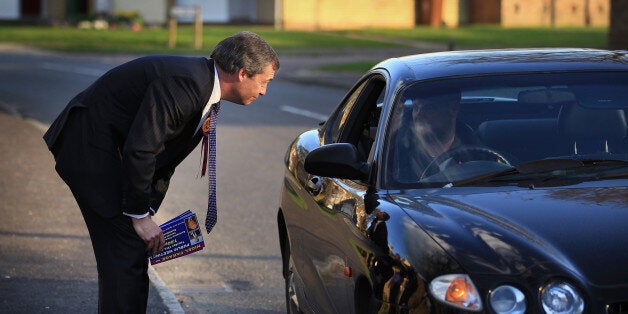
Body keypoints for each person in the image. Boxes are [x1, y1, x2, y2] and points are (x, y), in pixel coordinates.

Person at [43, 31, 279, 313]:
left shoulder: (203, 87)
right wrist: (139, 216)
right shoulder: (186, 84)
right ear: (242, 73)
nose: (264, 91)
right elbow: (142, 149)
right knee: (125, 249)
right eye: (264, 82)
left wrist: (148, 208)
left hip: (110, 152)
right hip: (89, 149)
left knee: (129, 249)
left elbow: (165, 156)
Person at [394, 90, 462, 182]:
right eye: (416, 107)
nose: (418, 114)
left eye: (429, 108)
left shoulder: (477, 151)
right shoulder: (396, 151)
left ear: (453, 109)